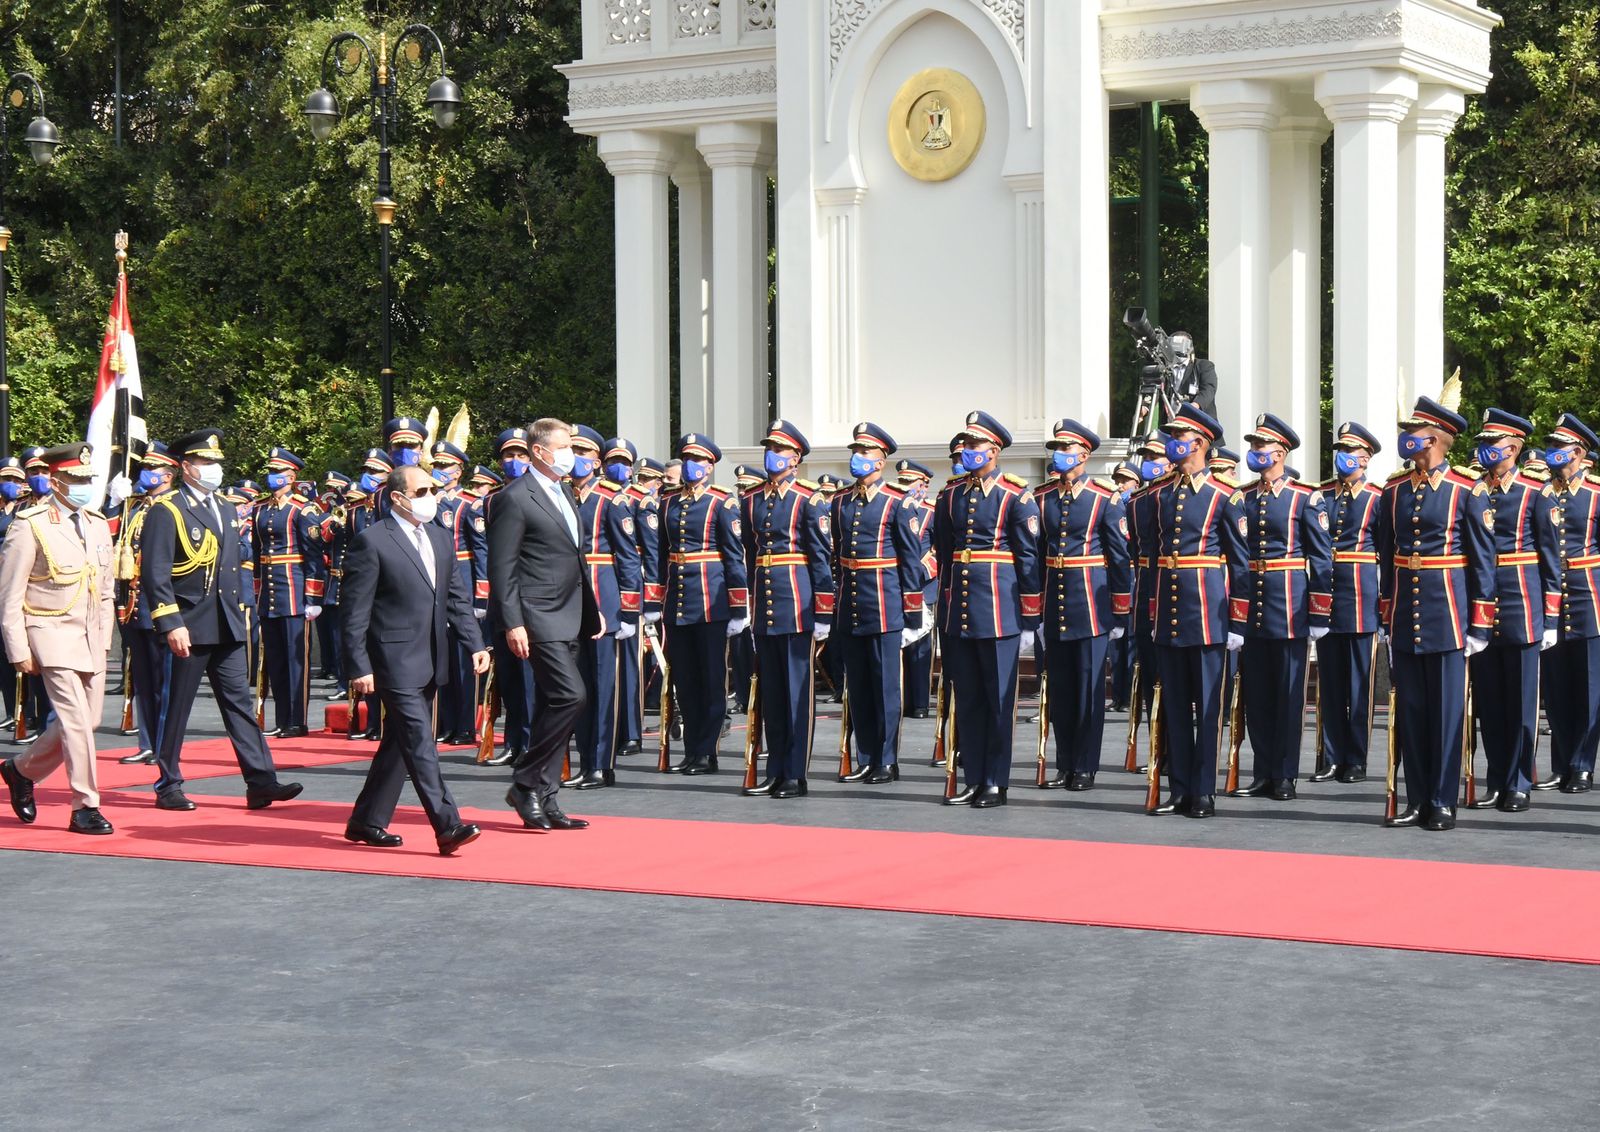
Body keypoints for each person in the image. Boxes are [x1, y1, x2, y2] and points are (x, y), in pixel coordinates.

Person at [140, 429, 303, 812]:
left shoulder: (226, 508)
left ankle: (260, 781)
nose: (213, 468)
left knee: (239, 705)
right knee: (175, 708)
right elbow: (155, 572)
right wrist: (170, 622)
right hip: (188, 624)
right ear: (186, 467)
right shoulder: (168, 509)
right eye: (205, 461)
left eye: (216, 461)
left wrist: (242, 611)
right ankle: (168, 783)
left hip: (226, 622)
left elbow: (232, 567)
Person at [341, 464, 487, 854]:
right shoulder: (372, 541)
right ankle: (447, 825)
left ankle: (366, 820)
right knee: (420, 741)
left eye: (432, 490)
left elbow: (456, 599)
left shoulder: (439, 537)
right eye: (420, 492)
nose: (430, 498)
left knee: (398, 743)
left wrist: (475, 644)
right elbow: (354, 612)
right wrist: (358, 665)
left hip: (431, 656)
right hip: (393, 660)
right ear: (397, 498)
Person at [1379, 396, 1496, 831]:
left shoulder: (1467, 489)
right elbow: (1387, 555)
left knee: (1447, 715)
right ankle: (1417, 799)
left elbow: (1484, 559)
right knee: (1411, 712)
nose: (1407, 439)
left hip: (1447, 613)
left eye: (1414, 432)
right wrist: (1386, 612)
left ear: (1436, 439)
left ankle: (1442, 800)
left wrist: (1479, 622)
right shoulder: (1394, 489)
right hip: (1406, 615)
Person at [1134, 404, 1248, 817]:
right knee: (1176, 707)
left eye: (1179, 437)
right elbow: (1152, 557)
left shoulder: (1224, 495)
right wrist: (1153, 613)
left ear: (1199, 442)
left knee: (1208, 707)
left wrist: (1236, 621)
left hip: (1207, 614)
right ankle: (1179, 788)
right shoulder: (1160, 494)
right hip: (1170, 614)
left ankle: (1203, 791)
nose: (1171, 443)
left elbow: (1240, 563)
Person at [487, 418, 600, 831]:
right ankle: (524, 782)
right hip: (537, 615)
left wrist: (592, 606)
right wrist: (512, 622)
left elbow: (574, 555)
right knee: (571, 696)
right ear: (539, 451)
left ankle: (545, 795)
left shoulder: (563, 491)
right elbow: (502, 567)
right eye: (565, 446)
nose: (572, 454)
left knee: (558, 702)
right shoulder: (514, 498)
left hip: (570, 611)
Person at [0, 444, 116, 835]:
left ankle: (21, 770)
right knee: (76, 722)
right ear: (55, 481)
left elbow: (106, 589)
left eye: (87, 479)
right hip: (50, 632)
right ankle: (85, 806)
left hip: (90, 636)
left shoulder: (96, 523)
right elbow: (10, 595)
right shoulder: (29, 524)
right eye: (75, 479)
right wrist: (18, 649)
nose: (84, 486)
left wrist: (104, 640)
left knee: (89, 721)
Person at [932, 411, 1042, 808]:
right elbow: (946, 553)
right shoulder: (950, 495)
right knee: (969, 700)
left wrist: (1029, 616)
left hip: (998, 611)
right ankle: (973, 777)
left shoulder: (1015, 495)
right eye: (965, 444)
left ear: (994, 449)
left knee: (998, 702)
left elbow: (1028, 558)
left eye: (975, 444)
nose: (968, 450)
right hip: (960, 614)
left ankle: (995, 781)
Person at [1228, 414, 1332, 802]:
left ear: (1281, 452)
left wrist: (1319, 612)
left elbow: (1321, 558)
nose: (1255, 451)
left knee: (1288, 696)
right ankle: (1263, 771)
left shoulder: (1305, 497)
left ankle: (1285, 773)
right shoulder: (1243, 497)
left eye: (1262, 446)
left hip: (1289, 606)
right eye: (1253, 446)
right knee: (1257, 696)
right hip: (1253, 607)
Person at [1465, 409, 1560, 813]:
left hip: (1522, 603)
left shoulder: (1536, 492)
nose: (1487, 449)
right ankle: (1496, 779)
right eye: (1484, 443)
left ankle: (1519, 781)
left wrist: (1551, 617)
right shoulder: (1472, 490)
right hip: (1481, 610)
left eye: (1494, 443)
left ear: (1514, 448)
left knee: (1521, 704)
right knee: (1489, 703)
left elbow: (1551, 558)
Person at [739, 422, 834, 798]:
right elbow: (750, 555)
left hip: (797, 604)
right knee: (773, 695)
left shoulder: (809, 499)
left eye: (779, 449)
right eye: (769, 448)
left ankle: (795, 773)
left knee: (796, 695)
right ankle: (774, 769)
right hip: (766, 607)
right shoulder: (752, 500)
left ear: (795, 458)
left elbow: (821, 559)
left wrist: (823, 612)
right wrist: (749, 605)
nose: (771, 455)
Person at [1035, 420, 1131, 791]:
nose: (1059, 454)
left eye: (1066, 448)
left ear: (1084, 455)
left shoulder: (1104, 498)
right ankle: (1065, 763)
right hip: (1055, 606)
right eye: (1056, 448)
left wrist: (1119, 609)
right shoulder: (1043, 496)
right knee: (1060, 691)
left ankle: (1085, 766)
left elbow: (1119, 557)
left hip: (1091, 605)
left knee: (1089, 690)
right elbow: (1036, 555)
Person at [649, 433, 748, 775]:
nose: (692, 465)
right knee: (686, 682)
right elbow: (660, 556)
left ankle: (707, 751)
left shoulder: (722, 502)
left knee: (710, 681)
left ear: (710, 466)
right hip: (677, 604)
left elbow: (734, 557)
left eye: (698, 460)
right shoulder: (668, 503)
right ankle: (692, 750)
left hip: (710, 602)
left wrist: (738, 607)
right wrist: (655, 600)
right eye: (687, 458)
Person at [565, 424, 642, 789]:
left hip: (603, 605)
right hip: (569, 605)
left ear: (597, 461)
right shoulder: (562, 496)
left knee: (601, 688)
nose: (575, 458)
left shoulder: (612, 499)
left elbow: (628, 557)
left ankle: (600, 764)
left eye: (582, 452)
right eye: (571, 451)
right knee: (577, 690)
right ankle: (584, 762)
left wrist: (628, 610)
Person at [1312, 422, 1385, 784]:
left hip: (1360, 598)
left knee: (1359, 687)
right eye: (1339, 450)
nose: (1342, 457)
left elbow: (1387, 552)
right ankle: (1330, 756)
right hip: (1326, 598)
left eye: (1349, 451)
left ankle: (1355, 758)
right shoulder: (1322, 495)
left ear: (1365, 458)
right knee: (1329, 685)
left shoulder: (1376, 498)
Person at [1537, 412, 1600, 795]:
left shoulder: (1595, 494)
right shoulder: (1542, 493)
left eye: (1560, 446)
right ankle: (1560, 764)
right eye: (1552, 445)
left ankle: (1582, 765)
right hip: (1551, 600)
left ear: (1579, 452)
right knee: (1557, 687)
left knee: (1589, 687)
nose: (1553, 451)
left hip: (1589, 597)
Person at [252, 448, 325, 738]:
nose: (272, 476)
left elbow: (314, 556)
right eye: (270, 471)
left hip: (294, 593)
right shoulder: (261, 508)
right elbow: (257, 553)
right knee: (276, 660)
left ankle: (297, 720)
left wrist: (313, 598)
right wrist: (257, 592)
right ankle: (282, 719)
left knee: (296, 661)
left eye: (277, 472)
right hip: (269, 597)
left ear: (292, 477)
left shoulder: (302, 509)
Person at [483, 427, 536, 767]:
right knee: (509, 675)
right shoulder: (492, 499)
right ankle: (513, 741)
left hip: (530, 593)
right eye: (509, 455)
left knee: (530, 677)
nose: (514, 461)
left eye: (521, 455)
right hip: (502, 595)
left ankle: (531, 743)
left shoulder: (539, 494)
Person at [429, 440, 483, 745]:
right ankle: (446, 723)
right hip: (436, 583)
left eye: (445, 466)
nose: (440, 470)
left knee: (464, 661)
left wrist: (481, 595)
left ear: (458, 470)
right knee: (443, 659)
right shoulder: (429, 501)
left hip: (463, 582)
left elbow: (482, 551)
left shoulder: (470, 504)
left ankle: (465, 725)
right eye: (436, 465)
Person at [895, 459, 938, 720]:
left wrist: (921, 571)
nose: (905, 486)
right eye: (902, 481)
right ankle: (901, 700)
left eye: (910, 482)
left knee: (920, 647)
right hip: (895, 585)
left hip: (923, 586)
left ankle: (920, 702)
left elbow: (941, 549)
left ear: (924, 486)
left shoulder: (932, 512)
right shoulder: (894, 505)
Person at [1168, 332, 1218, 417]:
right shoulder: (1166, 368)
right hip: (1171, 419)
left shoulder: (1204, 366)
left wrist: (1195, 405)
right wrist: (1145, 407)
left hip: (1198, 419)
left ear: (1189, 347)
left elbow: (1209, 389)